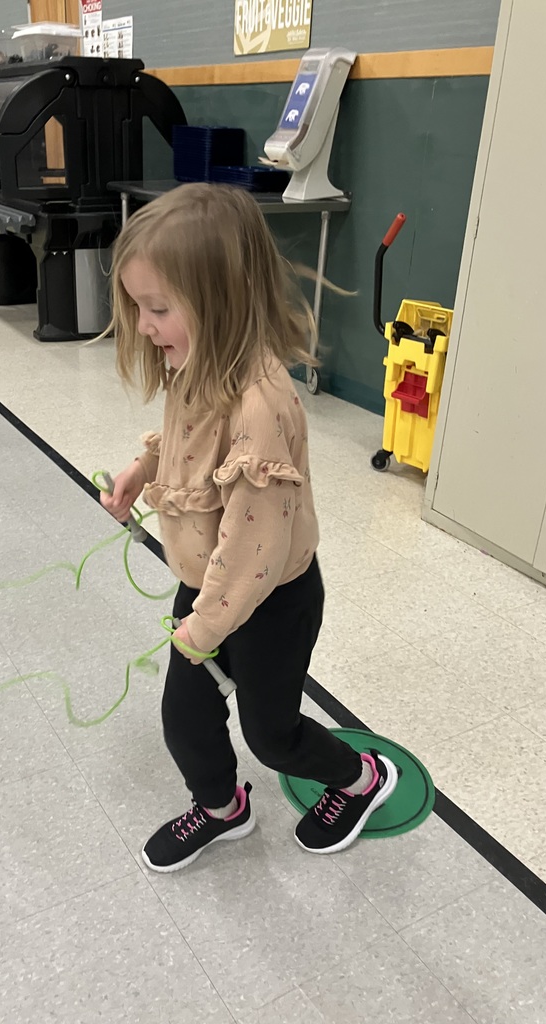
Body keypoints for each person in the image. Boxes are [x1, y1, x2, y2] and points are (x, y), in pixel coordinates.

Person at [101, 183, 397, 873]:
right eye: (138, 307)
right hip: (210, 588)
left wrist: (203, 631)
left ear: (223, 300)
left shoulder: (262, 406)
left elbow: (253, 549)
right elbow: (187, 440)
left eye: (158, 308)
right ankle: (222, 808)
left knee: (273, 735)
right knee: (185, 717)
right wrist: (143, 468)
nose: (143, 325)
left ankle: (361, 780)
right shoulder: (194, 362)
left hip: (269, 600)